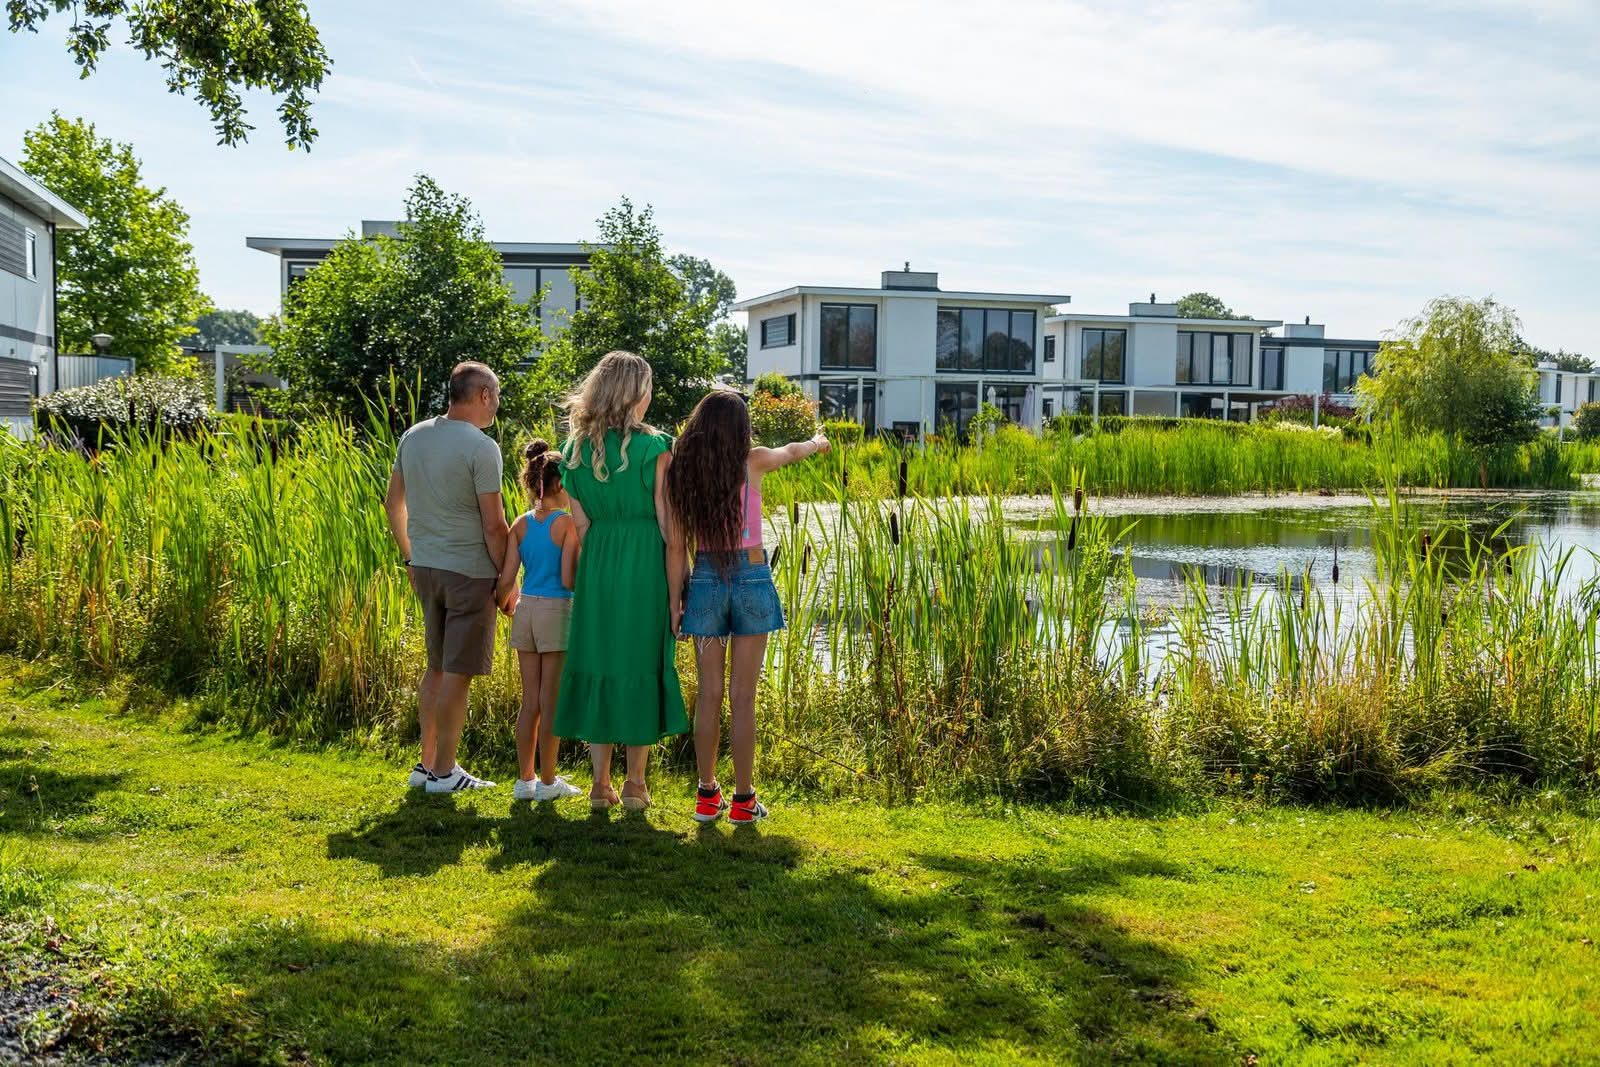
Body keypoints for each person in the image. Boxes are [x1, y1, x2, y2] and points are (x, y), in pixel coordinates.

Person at [666, 389, 829, 824]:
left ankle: (706, 796)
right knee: (743, 696)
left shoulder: (684, 473)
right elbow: (792, 451)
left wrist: (674, 602)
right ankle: (743, 800)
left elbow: (677, 547)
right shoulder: (752, 461)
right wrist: (818, 441)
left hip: (703, 580)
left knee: (709, 695)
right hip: (752, 578)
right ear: (740, 429)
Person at [553, 351, 688, 812]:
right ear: (636, 393)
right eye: (647, 387)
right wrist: (677, 597)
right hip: (645, 569)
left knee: (600, 661)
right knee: (640, 663)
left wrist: (597, 572)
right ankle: (635, 783)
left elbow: (583, 527)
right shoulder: (656, 448)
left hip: (599, 570)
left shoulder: (573, 453)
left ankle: (598, 784)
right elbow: (672, 535)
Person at [383, 361, 509, 793]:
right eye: (496, 396)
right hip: (469, 571)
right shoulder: (481, 446)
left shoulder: (414, 435)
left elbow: (392, 504)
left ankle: (426, 763)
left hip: (427, 568)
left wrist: (410, 557)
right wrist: (505, 576)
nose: (496, 404)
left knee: (435, 668)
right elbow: (494, 524)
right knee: (457, 674)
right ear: (483, 396)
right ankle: (445, 771)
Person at [495, 440, 584, 802]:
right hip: (556, 612)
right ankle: (549, 782)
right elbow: (568, 580)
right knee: (552, 701)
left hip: (526, 610)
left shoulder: (520, 524)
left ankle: (525, 780)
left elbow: (505, 581)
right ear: (561, 485)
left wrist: (503, 603)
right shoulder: (567, 525)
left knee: (529, 701)